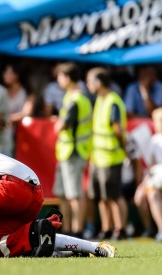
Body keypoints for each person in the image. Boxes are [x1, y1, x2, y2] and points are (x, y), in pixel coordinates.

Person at [86, 67, 128, 241]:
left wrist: (122, 148)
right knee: (102, 197)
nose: (88, 85)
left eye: (89, 81)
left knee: (114, 195)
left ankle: (121, 229)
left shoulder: (112, 101)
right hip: (98, 157)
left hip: (111, 157)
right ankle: (106, 228)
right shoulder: (100, 100)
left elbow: (117, 130)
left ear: (98, 83)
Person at [53, 62, 92, 237]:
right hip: (67, 151)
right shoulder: (76, 97)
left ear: (67, 78)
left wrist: (57, 123)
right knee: (63, 193)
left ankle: (77, 231)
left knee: (74, 195)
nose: (58, 80)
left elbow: (61, 126)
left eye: (60, 77)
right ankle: (67, 229)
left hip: (73, 151)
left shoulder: (75, 100)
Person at [142, 108, 162, 241]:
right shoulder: (154, 139)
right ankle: (159, 229)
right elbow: (151, 166)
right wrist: (143, 184)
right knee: (151, 194)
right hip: (158, 179)